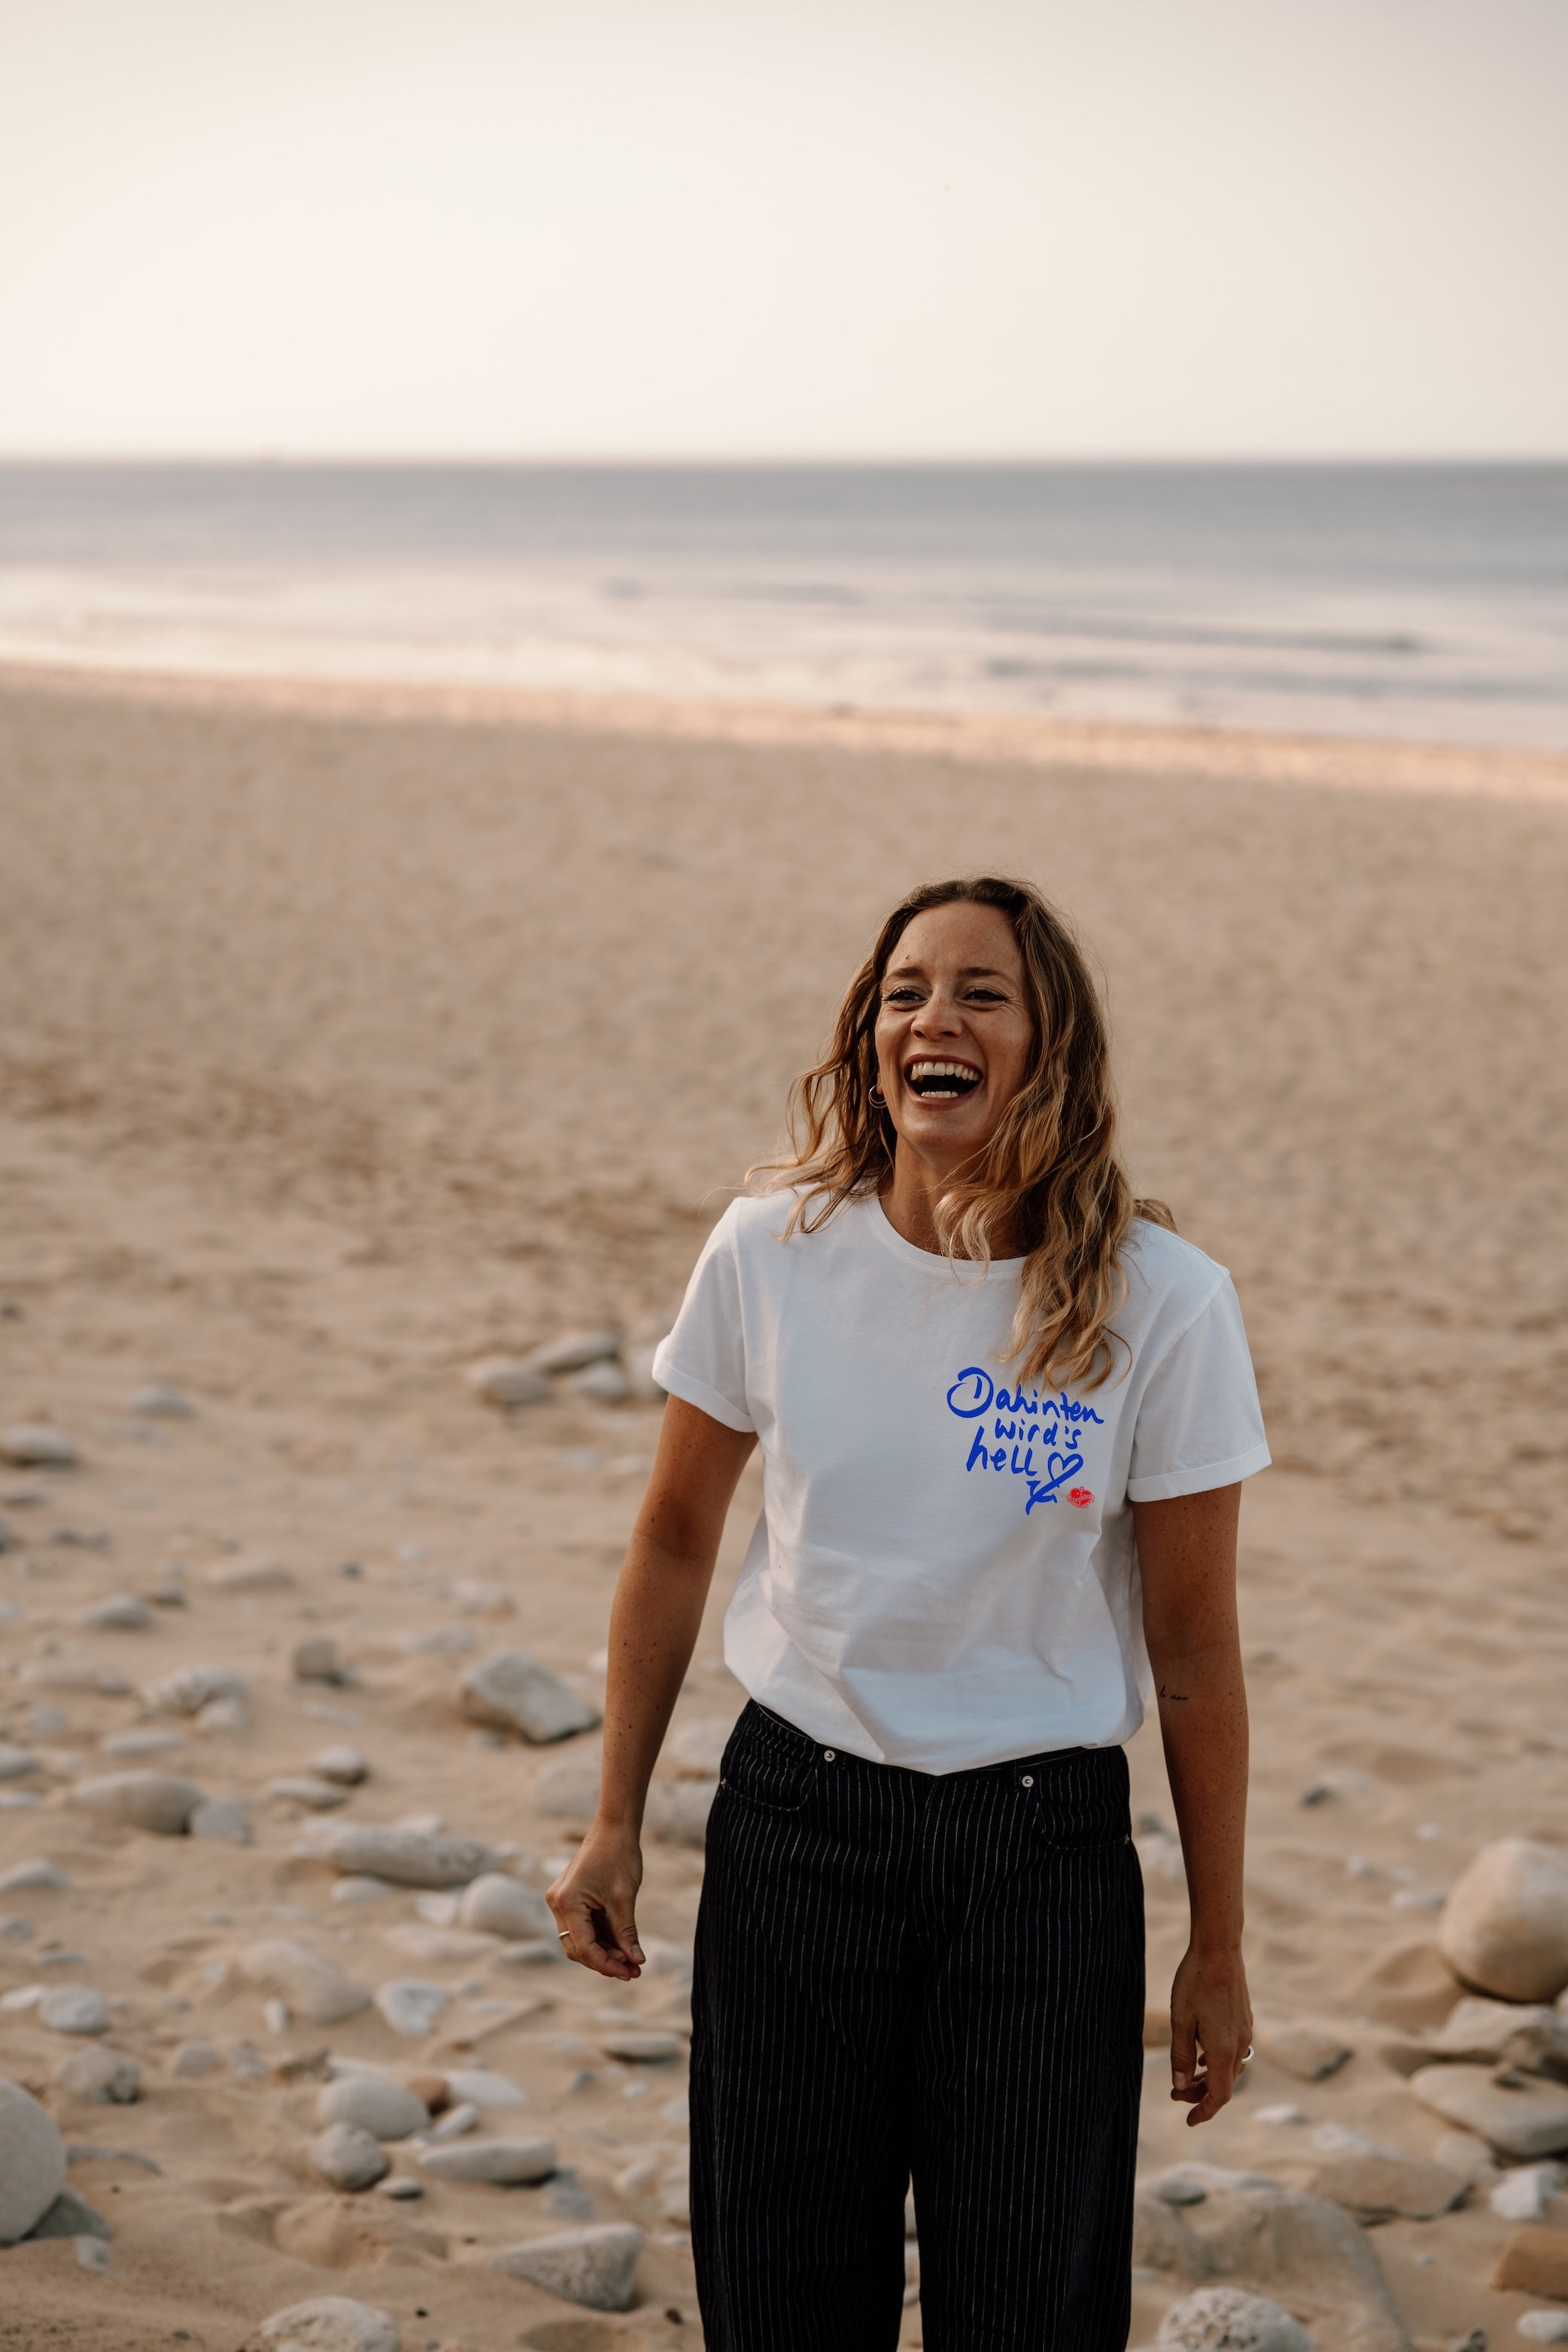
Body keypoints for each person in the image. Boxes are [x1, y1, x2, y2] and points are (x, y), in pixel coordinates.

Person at [547, 874, 1269, 2352]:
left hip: (1042, 1862)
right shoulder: (770, 1254)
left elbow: (1194, 1653)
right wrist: (613, 1814)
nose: (931, 1019)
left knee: (1030, 2313)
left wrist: (1219, 1939)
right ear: (869, 1038)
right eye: (903, 993)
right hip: (795, 1832)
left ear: (1046, 1044)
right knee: (784, 2299)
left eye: (978, 992)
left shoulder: (1165, 1306)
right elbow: (675, 1537)